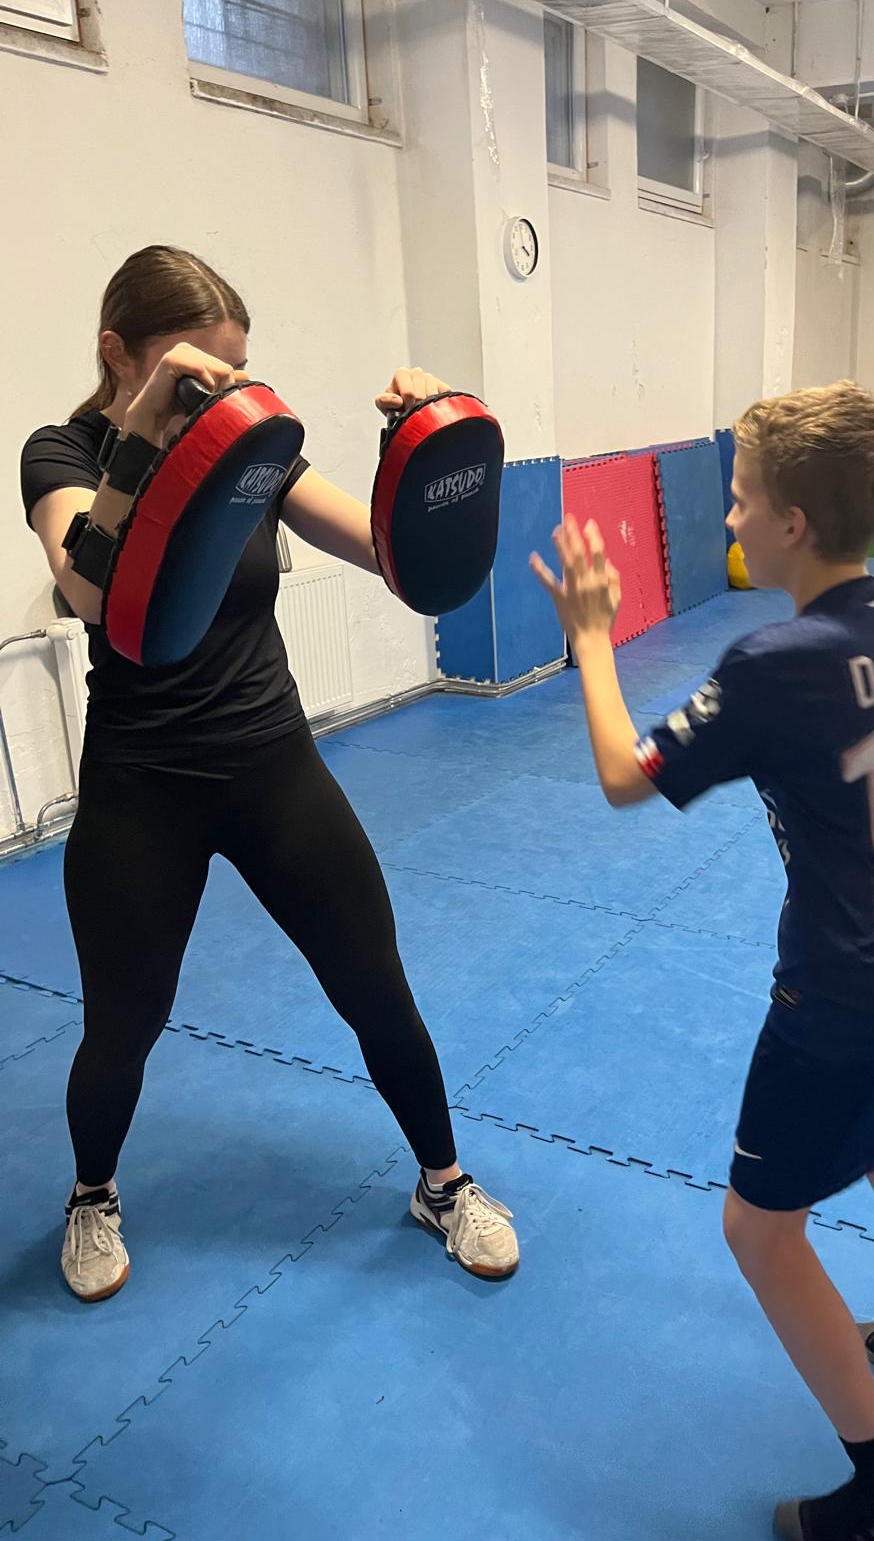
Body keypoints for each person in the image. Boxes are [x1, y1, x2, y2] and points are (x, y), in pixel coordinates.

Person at [20, 245, 519, 1300]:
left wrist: (420, 445)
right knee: (123, 1024)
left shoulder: (251, 451)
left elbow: (391, 553)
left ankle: (443, 1183)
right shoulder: (62, 452)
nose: (220, 393)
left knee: (375, 985)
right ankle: (92, 1195)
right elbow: (89, 595)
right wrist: (142, 441)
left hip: (270, 765)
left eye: (234, 371)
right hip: (141, 785)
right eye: (194, 373)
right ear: (119, 354)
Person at [532, 383, 874, 1541]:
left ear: (794, 524)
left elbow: (625, 775)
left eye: (740, 500)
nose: (727, 519)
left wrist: (592, 637)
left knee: (759, 1228)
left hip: (844, 992)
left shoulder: (776, 660)